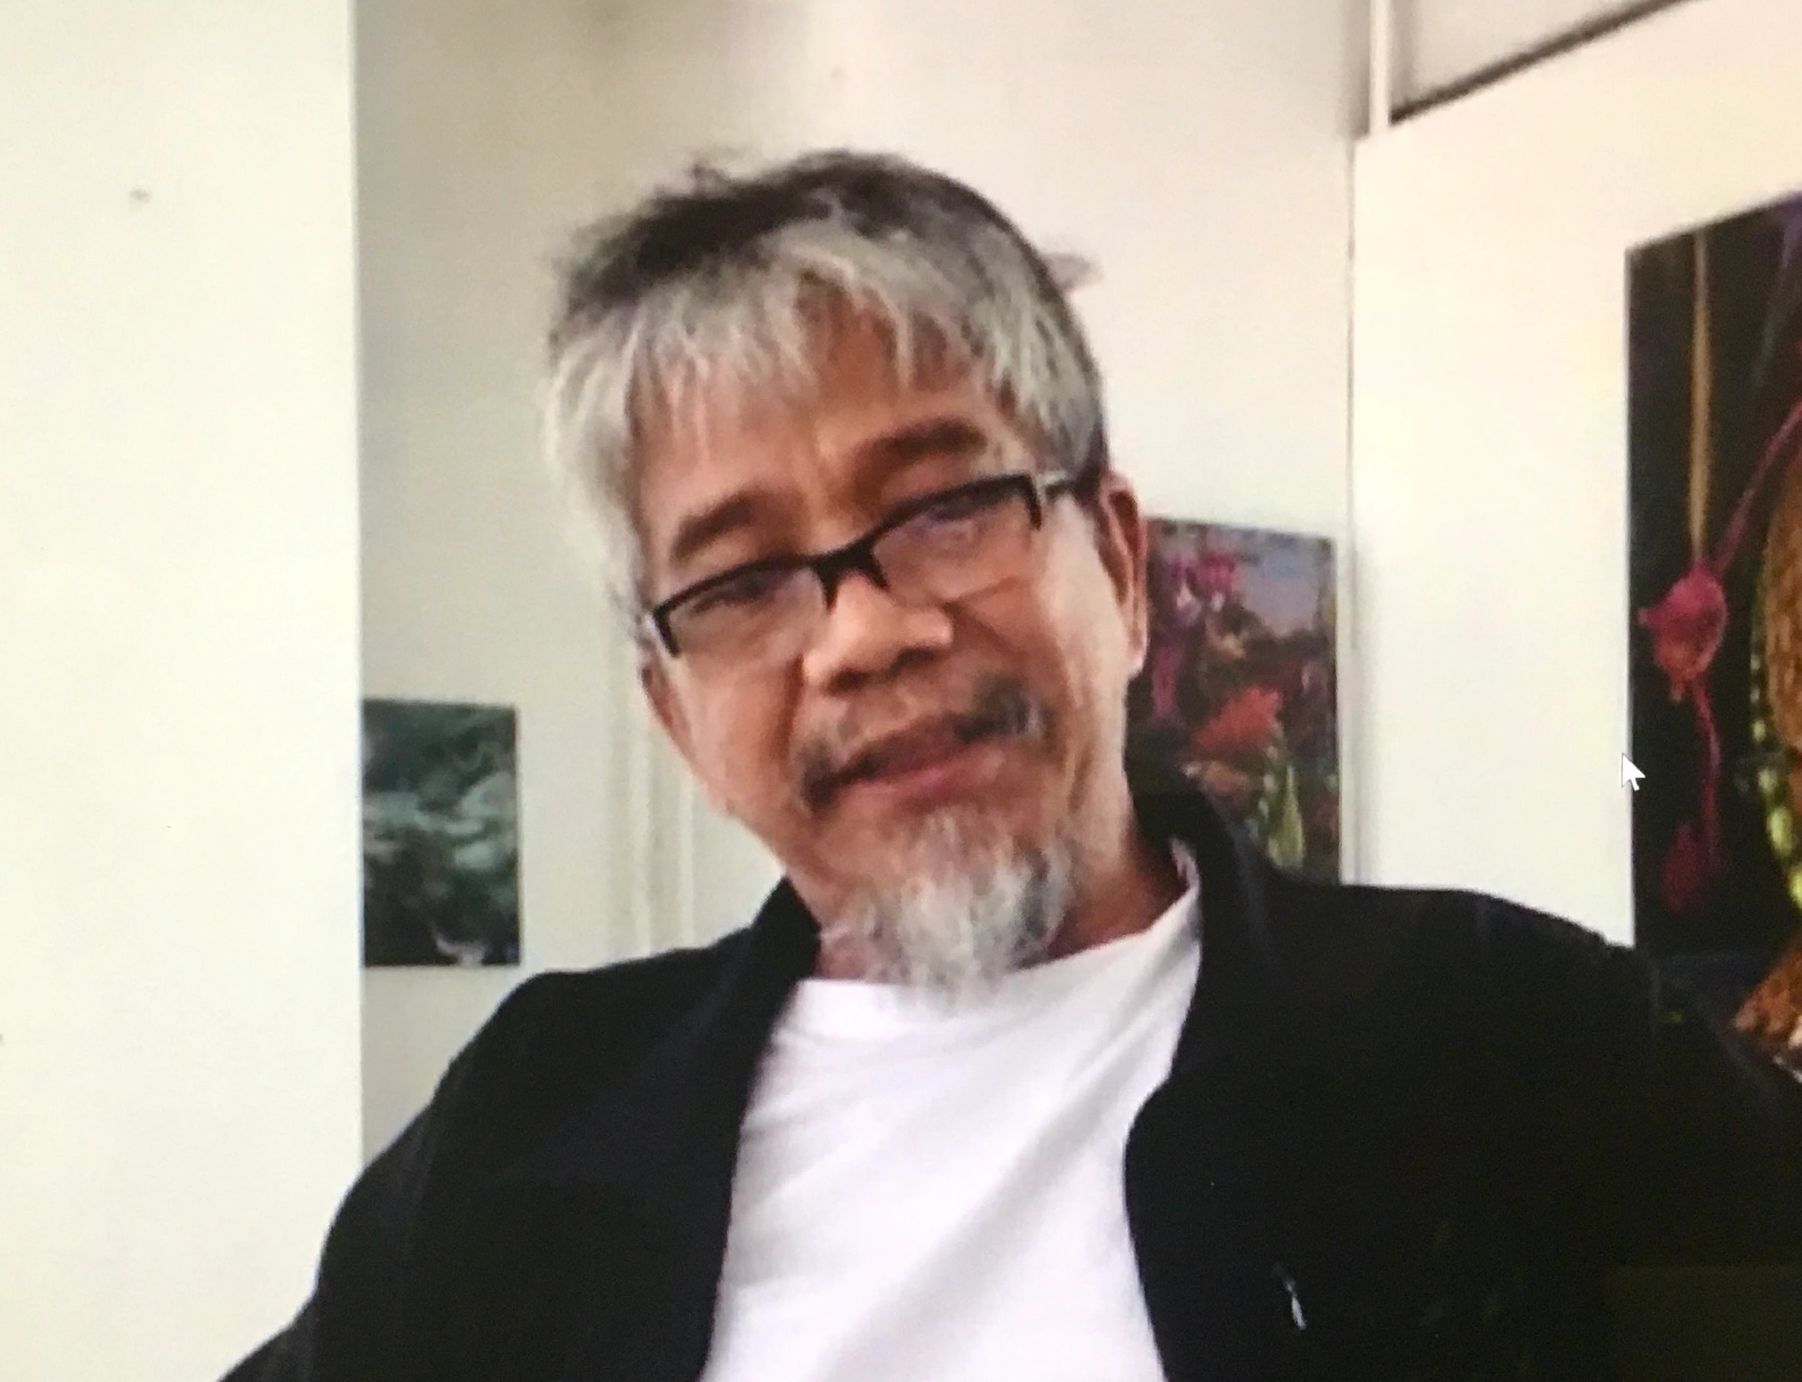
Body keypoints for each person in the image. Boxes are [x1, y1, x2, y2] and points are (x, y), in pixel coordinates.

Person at [225, 151, 1802, 1382]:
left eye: (940, 507)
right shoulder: (539, 1113)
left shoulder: (1507, 1038)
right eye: (742, 579)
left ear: (1117, 563)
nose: (859, 635)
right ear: (671, 710)